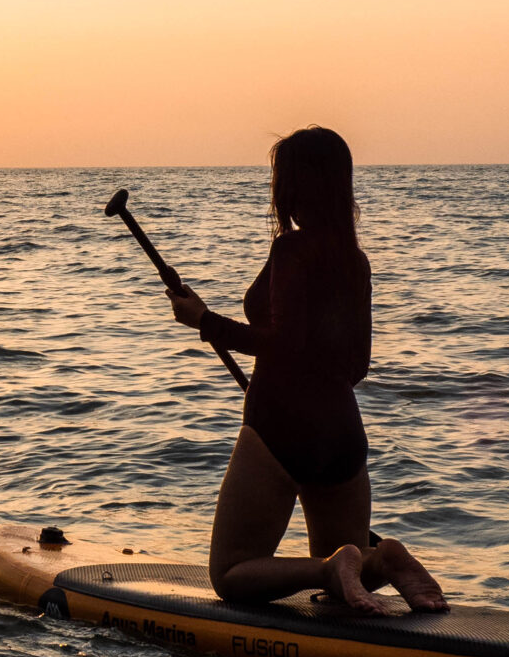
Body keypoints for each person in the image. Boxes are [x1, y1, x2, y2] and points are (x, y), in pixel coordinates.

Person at [167, 127, 446, 617]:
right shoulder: (354, 261)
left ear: (295, 187)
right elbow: (356, 366)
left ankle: (327, 569)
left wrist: (204, 321)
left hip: (280, 427)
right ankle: (384, 562)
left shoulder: (290, 250)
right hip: (342, 431)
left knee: (231, 574)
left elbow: (284, 344)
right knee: (353, 569)